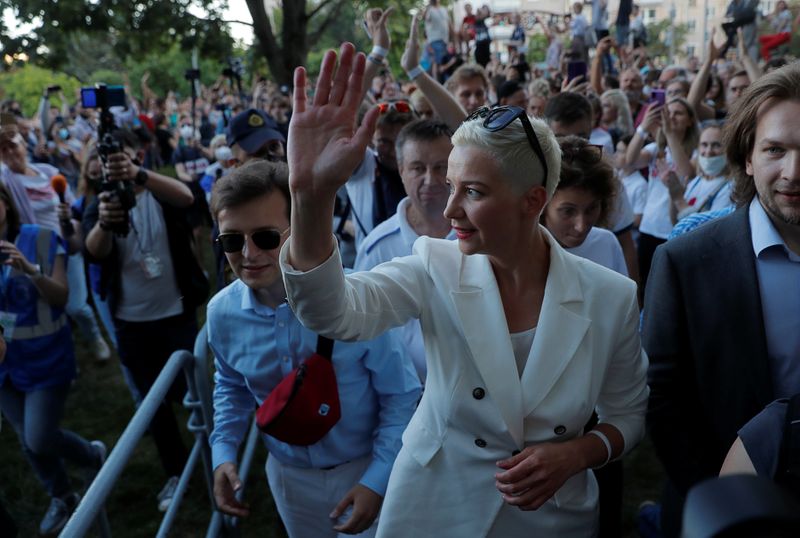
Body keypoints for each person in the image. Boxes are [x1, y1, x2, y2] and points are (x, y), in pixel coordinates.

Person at [280, 42, 648, 536]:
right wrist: (309, 196)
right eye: (451, 186)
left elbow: (628, 413)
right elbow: (332, 312)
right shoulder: (435, 264)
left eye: (472, 191)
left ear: (531, 200)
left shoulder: (611, 295)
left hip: (549, 517)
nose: (449, 209)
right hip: (433, 506)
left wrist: (577, 453)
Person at [207, 160, 420, 538]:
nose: (249, 254)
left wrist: (377, 479)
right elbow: (232, 385)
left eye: (266, 238)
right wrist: (223, 453)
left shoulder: (356, 297)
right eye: (232, 240)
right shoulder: (222, 314)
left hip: (365, 466)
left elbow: (400, 394)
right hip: (290, 479)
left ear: (298, 229)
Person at [642, 62, 800, 537]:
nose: (794, 172)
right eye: (776, 149)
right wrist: (725, 500)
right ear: (748, 157)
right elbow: (663, 401)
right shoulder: (685, 263)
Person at [83, 128, 208, 512]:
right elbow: (92, 252)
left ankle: (218, 456)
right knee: (155, 406)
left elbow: (188, 197)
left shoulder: (159, 192)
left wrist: (137, 174)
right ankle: (176, 472)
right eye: (110, 159)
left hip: (176, 313)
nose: (117, 164)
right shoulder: (103, 201)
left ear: (137, 154)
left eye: (125, 155)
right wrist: (104, 222)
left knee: (195, 394)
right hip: (132, 322)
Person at [0, 183, 106, 535]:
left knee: (39, 438)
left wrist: (30, 270)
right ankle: (62, 495)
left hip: (46, 357)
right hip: (5, 366)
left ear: (6, 204)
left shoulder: (41, 237)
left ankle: (91, 456)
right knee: (24, 436)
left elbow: (62, 297)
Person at [354, 119, 455, 382]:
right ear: (401, 170)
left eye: (440, 167)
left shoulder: (484, 237)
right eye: (418, 168)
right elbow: (361, 331)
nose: (430, 180)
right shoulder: (376, 248)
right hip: (402, 399)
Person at [624, 97, 699, 290]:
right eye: (669, 112)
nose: (671, 117)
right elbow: (630, 161)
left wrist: (670, 135)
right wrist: (643, 128)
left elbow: (687, 174)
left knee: (670, 288)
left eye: (678, 113)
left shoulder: (697, 152)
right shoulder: (657, 149)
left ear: (690, 120)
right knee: (646, 286)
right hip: (649, 228)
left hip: (674, 229)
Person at [543, 136, 627, 277]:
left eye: (591, 208)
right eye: (568, 211)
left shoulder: (607, 244)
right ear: (542, 204)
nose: (581, 226)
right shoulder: (521, 255)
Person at [663, 122, 733, 225]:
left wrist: (679, 200)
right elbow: (676, 223)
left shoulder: (731, 188)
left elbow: (708, 232)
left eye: (716, 145)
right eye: (704, 145)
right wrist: (673, 192)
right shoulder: (696, 181)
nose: (708, 151)